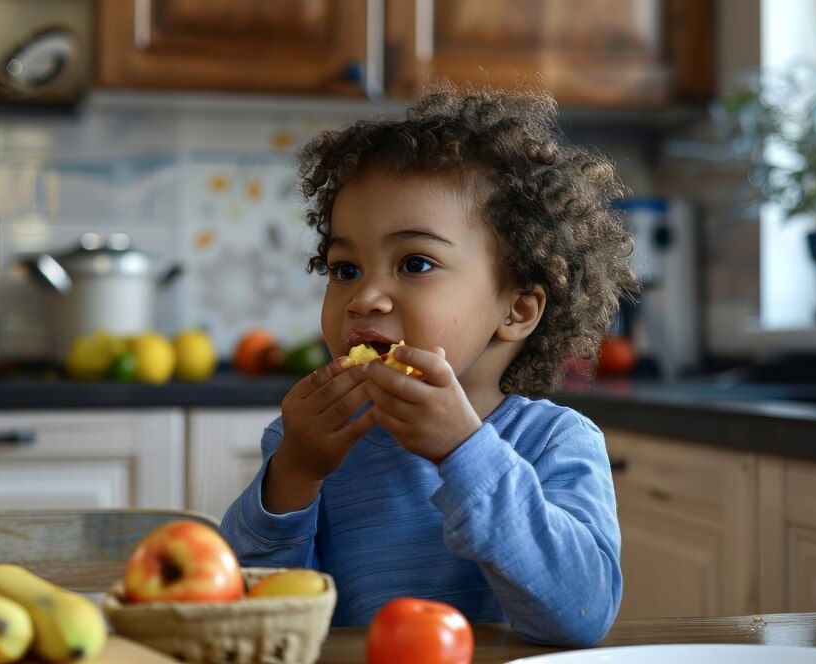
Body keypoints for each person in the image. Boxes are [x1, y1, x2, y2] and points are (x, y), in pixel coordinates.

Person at [220, 81, 639, 647]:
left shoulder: (554, 443)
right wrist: (295, 473)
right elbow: (253, 615)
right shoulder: (315, 442)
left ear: (516, 309)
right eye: (346, 269)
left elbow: (581, 614)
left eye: (415, 263)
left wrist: (465, 451)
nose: (364, 297)